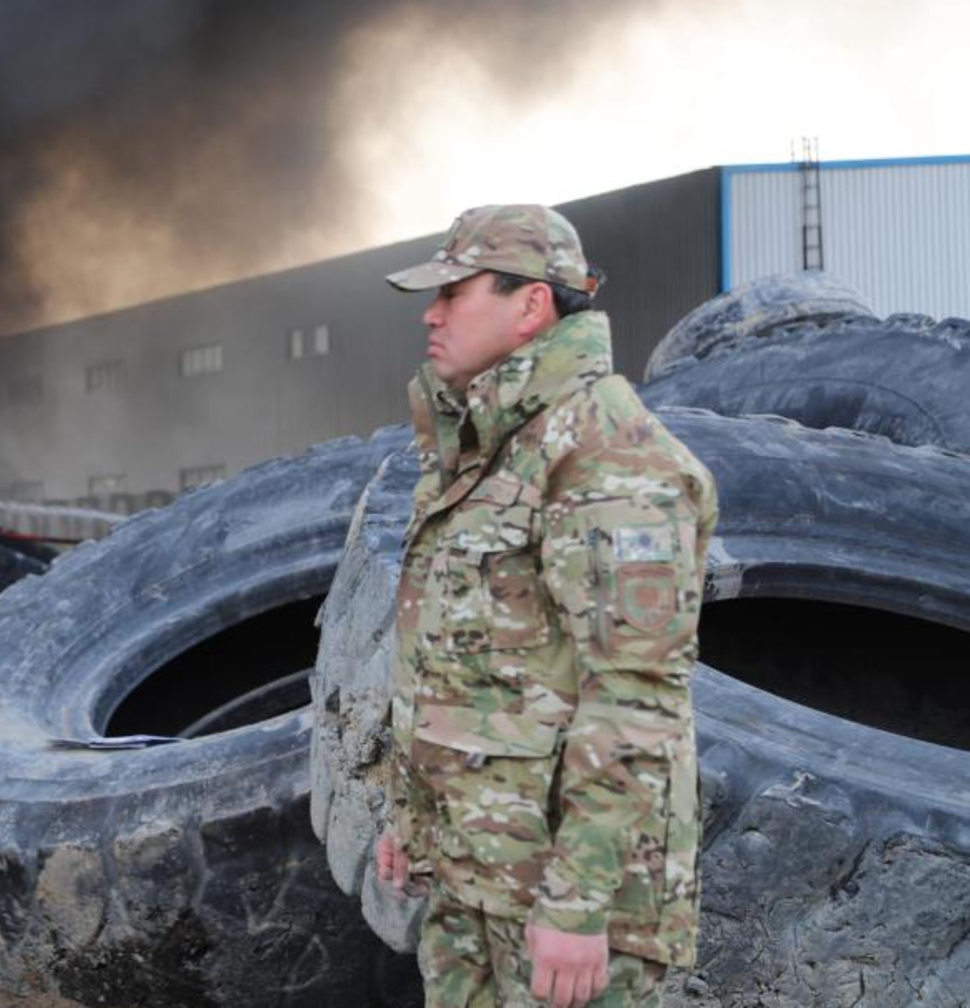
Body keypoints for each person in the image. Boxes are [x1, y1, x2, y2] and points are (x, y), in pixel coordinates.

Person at [369, 205, 718, 1007]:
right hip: (473, 877)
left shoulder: (604, 453)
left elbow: (636, 695)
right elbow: (459, 665)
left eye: (454, 293)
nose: (431, 313)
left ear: (531, 305)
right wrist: (413, 821)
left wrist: (579, 903)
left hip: (563, 904)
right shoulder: (488, 451)